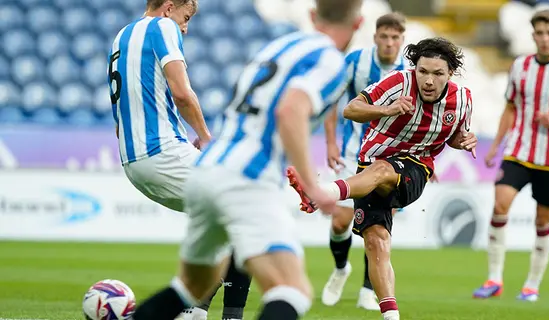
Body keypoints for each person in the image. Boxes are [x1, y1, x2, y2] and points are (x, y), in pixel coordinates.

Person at [130, 0, 364, 319]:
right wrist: (315, 186)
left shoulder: (277, 47)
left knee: (190, 286)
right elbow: (290, 111)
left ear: (312, 15)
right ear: (358, 24)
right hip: (247, 178)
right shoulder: (330, 60)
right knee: (291, 289)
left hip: (207, 168)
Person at [288, 37, 477, 320]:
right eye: (423, 71)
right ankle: (391, 316)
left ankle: (320, 192)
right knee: (376, 242)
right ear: (415, 69)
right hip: (370, 164)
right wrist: (386, 110)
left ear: (450, 74)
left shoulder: (462, 100)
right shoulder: (398, 82)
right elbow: (350, 109)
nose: (428, 80)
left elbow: (454, 136)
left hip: (414, 169)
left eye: (437, 74)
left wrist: (462, 141)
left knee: (382, 170)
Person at [107, 1, 251, 319]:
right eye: (186, 18)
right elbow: (182, 93)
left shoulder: (121, 37)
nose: (185, 27)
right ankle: (211, 314)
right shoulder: (163, 27)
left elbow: (122, 115)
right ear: (170, 7)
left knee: (222, 220)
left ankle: (194, 311)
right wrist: (206, 138)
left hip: (133, 162)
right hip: (162, 151)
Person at [472, 9, 549, 302]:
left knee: (543, 221)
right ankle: (494, 278)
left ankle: (531, 284)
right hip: (519, 150)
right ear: (533, 35)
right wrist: (495, 146)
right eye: (539, 33)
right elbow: (510, 107)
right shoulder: (520, 66)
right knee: (500, 203)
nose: (544, 38)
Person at [321, 12, 408, 310]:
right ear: (375, 37)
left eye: (395, 37)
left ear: (402, 40)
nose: (389, 42)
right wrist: (331, 141)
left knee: (380, 226)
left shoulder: (410, 71)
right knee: (339, 221)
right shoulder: (355, 61)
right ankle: (341, 267)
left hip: (390, 159)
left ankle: (367, 290)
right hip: (352, 154)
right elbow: (333, 101)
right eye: (384, 36)